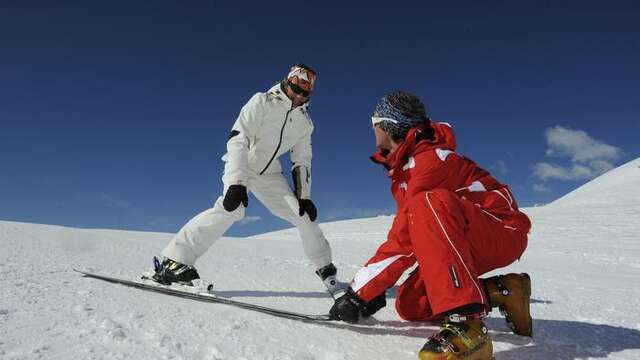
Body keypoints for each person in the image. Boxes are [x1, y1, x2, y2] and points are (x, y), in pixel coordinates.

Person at [328, 91, 533, 360]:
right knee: (411, 304)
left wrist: (359, 293)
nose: (372, 127)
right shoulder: (408, 168)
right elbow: (410, 235)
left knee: (427, 203)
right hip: (465, 234)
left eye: (374, 121)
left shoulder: (429, 163)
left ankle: (467, 326)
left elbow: (403, 241)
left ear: (387, 125)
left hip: (501, 230)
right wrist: (372, 292)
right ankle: (504, 291)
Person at [151, 64, 339, 294]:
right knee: (232, 208)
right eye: (296, 89)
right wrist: (235, 182)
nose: (299, 96)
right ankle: (175, 261)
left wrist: (304, 196)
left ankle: (327, 271)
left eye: (305, 93)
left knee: (304, 216)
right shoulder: (262, 101)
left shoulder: (305, 123)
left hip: (270, 174)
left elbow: (302, 160)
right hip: (244, 164)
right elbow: (238, 138)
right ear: (287, 82)